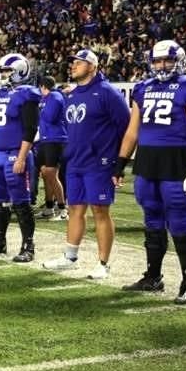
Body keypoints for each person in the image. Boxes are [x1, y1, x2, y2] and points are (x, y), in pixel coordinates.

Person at [114, 40, 186, 304]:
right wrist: (120, 163)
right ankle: (153, 277)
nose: (162, 65)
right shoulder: (143, 88)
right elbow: (132, 131)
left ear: (178, 60)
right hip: (147, 163)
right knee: (152, 221)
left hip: (177, 164)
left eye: (167, 60)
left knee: (180, 222)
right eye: (157, 61)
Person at [43, 49, 129, 279]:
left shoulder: (108, 92)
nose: (73, 66)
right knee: (74, 209)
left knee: (100, 210)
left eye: (79, 63)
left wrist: (120, 162)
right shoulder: (71, 94)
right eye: (72, 63)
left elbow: (127, 128)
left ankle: (103, 263)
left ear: (93, 66)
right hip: (76, 161)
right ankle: (70, 256)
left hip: (99, 162)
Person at [0, 54, 41, 262]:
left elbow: (30, 129)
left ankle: (28, 246)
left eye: (7, 71)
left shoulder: (27, 94)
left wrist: (22, 157)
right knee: (0, 201)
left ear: (20, 71)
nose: (2, 75)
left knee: (21, 201)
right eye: (2, 71)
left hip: (15, 153)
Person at [36, 76, 69, 220]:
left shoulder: (55, 97)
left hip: (55, 139)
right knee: (45, 173)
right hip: (45, 139)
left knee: (51, 173)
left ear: (43, 86)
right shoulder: (46, 98)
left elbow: (49, 117)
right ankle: (49, 207)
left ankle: (63, 209)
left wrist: (39, 111)